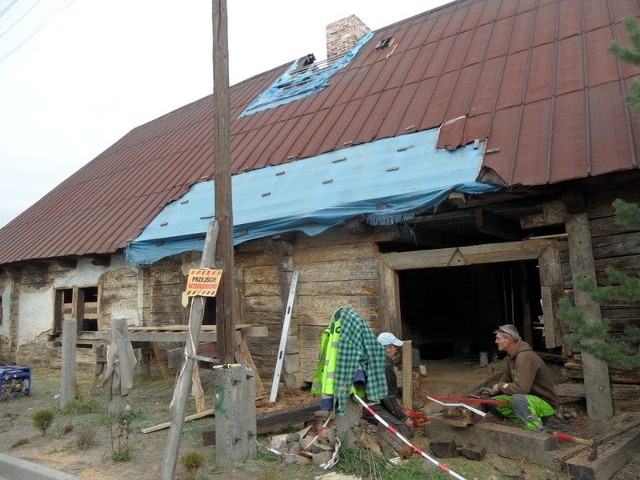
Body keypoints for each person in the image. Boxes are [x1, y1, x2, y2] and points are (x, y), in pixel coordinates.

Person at [487, 324, 558, 432]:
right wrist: (494, 391)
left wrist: (500, 387)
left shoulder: (524, 357)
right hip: (528, 399)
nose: (496, 341)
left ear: (508, 339)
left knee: (517, 399)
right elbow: (505, 381)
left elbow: (521, 388)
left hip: (545, 403)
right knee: (492, 402)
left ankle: (538, 432)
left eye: (498, 338)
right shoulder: (511, 359)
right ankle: (524, 421)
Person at [362, 332, 414, 438]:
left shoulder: (378, 360)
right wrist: (404, 419)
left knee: (408, 429)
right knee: (406, 431)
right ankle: (375, 433)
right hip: (373, 407)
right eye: (395, 347)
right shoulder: (385, 366)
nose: (397, 350)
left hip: (379, 404)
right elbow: (388, 398)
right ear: (388, 348)